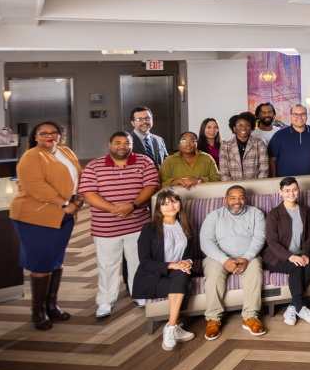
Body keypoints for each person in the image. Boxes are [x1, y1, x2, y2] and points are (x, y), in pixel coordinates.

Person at [10, 121, 83, 331]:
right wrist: (65, 203)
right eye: (44, 133)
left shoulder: (66, 151)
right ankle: (38, 311)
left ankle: (52, 305)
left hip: (65, 213)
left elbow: (78, 177)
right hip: (35, 215)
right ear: (35, 136)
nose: (49, 136)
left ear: (61, 135)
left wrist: (79, 200)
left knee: (56, 260)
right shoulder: (32, 156)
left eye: (54, 132)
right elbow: (35, 186)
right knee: (41, 263)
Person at [78, 131, 160, 318]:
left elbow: (151, 186)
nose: (122, 146)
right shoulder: (94, 167)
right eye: (118, 143)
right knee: (107, 264)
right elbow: (88, 193)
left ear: (131, 145)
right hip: (105, 227)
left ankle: (139, 294)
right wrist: (113, 209)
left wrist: (132, 206)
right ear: (109, 144)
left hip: (138, 225)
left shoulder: (144, 162)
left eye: (126, 143)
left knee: (138, 262)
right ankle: (106, 300)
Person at [132, 189, 197, 351]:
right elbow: (145, 262)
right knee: (186, 284)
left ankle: (171, 326)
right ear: (158, 208)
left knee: (183, 278)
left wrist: (187, 262)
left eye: (174, 202)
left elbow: (189, 254)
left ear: (180, 204)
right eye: (165, 204)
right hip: (153, 278)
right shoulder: (149, 229)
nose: (170, 206)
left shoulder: (185, 227)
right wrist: (173, 265)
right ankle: (174, 328)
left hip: (176, 275)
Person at [200, 185, 268, 340]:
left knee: (255, 269)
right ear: (225, 200)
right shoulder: (214, 216)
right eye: (233, 198)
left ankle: (250, 317)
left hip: (247, 257)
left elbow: (259, 238)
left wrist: (247, 257)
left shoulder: (256, 213)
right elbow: (206, 242)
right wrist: (224, 260)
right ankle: (213, 319)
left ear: (246, 199)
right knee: (214, 274)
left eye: (241, 197)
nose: (237, 201)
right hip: (218, 258)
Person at [264, 177, 310, 327]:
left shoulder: (305, 211)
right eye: (287, 191)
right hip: (276, 257)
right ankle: (300, 308)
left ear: (298, 190)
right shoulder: (274, 214)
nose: (291, 193)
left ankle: (291, 307)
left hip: (299, 253)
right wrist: (290, 257)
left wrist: (305, 254)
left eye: (294, 190)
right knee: (296, 266)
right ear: (281, 193)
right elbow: (272, 242)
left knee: (308, 264)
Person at [268, 104, 310, 177]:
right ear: (290, 116)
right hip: (286, 183)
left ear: (307, 116)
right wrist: (273, 179)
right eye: (295, 114)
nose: (299, 117)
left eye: (303, 114)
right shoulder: (279, 135)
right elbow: (271, 159)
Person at [219, 112, 270, 181]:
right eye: (240, 125)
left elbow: (264, 170)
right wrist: (235, 189)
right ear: (234, 128)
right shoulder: (225, 147)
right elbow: (224, 173)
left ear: (251, 127)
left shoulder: (260, 144)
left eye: (247, 125)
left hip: (256, 187)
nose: (243, 128)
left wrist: (257, 185)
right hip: (233, 188)